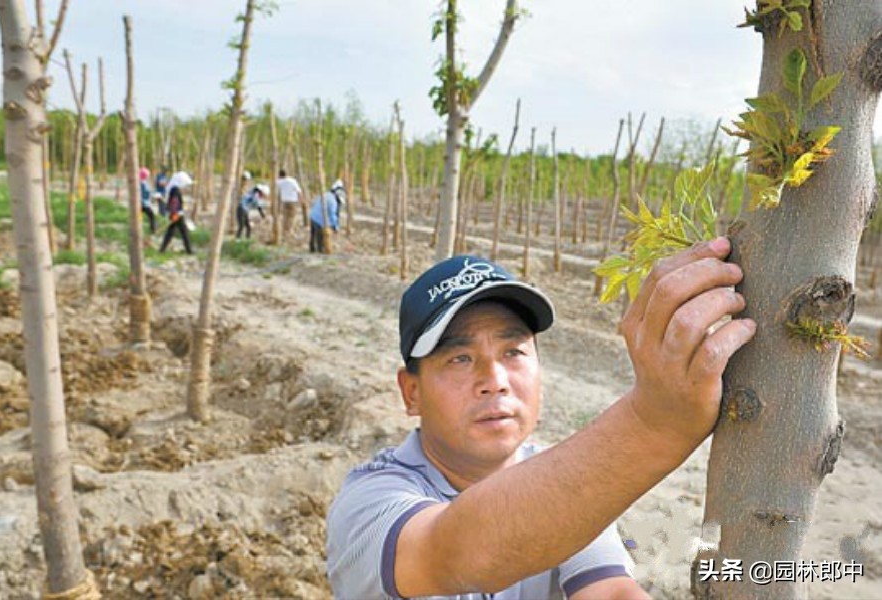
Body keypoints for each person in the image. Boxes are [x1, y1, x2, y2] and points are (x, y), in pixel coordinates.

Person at [326, 239, 756, 599]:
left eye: (513, 352)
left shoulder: (570, 492)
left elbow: (610, 591)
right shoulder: (369, 503)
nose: (494, 380)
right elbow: (462, 550)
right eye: (460, 358)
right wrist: (654, 425)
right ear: (411, 391)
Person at [159, 171, 194, 255]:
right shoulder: (175, 190)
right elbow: (174, 202)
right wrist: (176, 213)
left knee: (171, 232)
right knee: (183, 232)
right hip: (176, 214)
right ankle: (189, 251)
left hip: (175, 213)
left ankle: (162, 249)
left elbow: (176, 202)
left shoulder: (174, 188)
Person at [308, 179, 346, 253]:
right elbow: (332, 215)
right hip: (319, 219)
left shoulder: (326, 194)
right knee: (320, 237)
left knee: (313, 234)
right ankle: (320, 251)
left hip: (313, 216)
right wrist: (335, 226)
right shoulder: (333, 202)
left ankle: (312, 249)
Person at [276, 168, 303, 240]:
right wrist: (302, 200)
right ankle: (290, 231)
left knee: (285, 216)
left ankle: (285, 230)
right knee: (292, 217)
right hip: (292, 201)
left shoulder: (278, 182)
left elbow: (277, 191)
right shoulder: (292, 181)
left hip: (284, 201)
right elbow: (298, 191)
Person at [139, 167, 156, 234]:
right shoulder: (143, 183)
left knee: (139, 217)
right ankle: (153, 230)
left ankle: (139, 230)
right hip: (145, 204)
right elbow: (147, 192)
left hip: (140, 203)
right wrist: (152, 194)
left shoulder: (141, 182)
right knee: (152, 216)